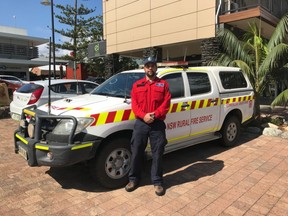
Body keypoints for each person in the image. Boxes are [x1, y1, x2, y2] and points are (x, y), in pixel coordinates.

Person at [125, 57, 171, 196]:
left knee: (157, 153)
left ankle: (157, 181)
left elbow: (166, 103)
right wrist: (144, 116)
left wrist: (154, 115)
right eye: (147, 66)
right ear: (144, 68)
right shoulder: (137, 85)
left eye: (152, 66)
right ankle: (133, 179)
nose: (150, 68)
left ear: (156, 68)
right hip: (141, 123)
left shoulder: (163, 84)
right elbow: (134, 105)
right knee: (137, 151)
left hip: (157, 123)